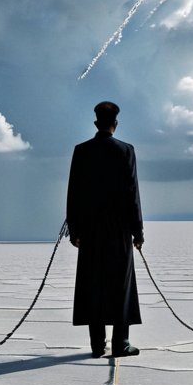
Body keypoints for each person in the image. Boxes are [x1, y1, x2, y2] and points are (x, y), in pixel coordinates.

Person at [66, 101, 144, 357]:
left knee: (93, 284)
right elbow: (133, 193)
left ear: (96, 123)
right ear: (116, 123)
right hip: (119, 230)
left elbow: (74, 194)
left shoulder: (82, 151)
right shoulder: (126, 150)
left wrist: (75, 229)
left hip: (90, 231)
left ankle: (97, 345)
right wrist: (138, 230)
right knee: (120, 285)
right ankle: (120, 344)